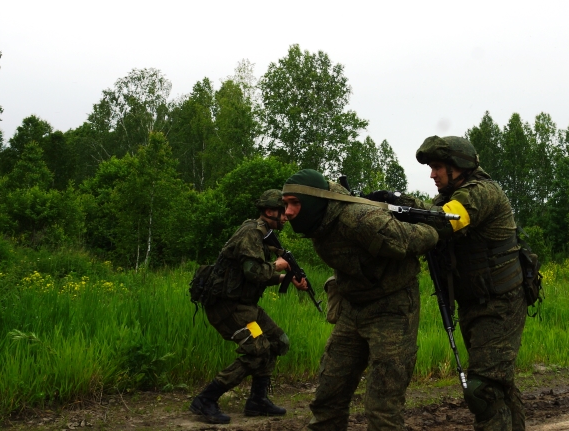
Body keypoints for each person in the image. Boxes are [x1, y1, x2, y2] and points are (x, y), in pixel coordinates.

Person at [383, 135, 527, 431]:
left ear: (459, 167)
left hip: (501, 304)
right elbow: (430, 214)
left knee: (482, 390)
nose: (432, 174)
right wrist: (389, 205)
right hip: (475, 303)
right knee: (497, 383)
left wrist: (401, 206)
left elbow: (448, 221)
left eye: (437, 167)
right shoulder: (450, 197)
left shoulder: (482, 193)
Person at [280, 169, 438, 431]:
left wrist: (435, 227)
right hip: (353, 307)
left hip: (392, 308)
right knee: (328, 395)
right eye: (285, 204)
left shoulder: (360, 220)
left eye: (295, 203)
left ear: (314, 201)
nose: (288, 212)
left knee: (382, 406)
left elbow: (425, 236)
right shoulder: (320, 222)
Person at [190, 189, 307, 424]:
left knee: (277, 341)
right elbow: (254, 272)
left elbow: (252, 276)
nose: (286, 216)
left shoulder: (263, 234)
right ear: (269, 211)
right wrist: (277, 266)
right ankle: (206, 399)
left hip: (245, 307)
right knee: (257, 350)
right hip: (227, 308)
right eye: (282, 211)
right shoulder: (251, 234)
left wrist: (286, 278)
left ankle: (257, 401)